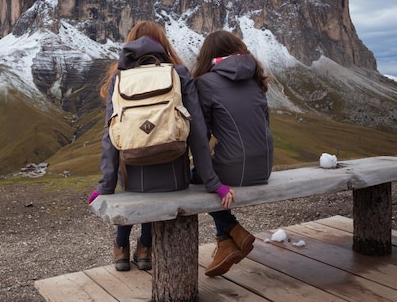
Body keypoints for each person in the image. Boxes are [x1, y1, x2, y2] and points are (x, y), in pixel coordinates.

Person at [88, 21, 234, 272]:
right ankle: (145, 246)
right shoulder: (179, 74)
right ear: (162, 44)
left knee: (134, 169)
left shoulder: (119, 79)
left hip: (132, 178)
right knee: (158, 168)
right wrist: (213, 183)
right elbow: (197, 132)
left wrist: (104, 187)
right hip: (173, 178)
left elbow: (110, 136)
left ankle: (120, 247)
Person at [192, 30, 274, 277]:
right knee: (209, 174)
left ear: (208, 55)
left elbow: (201, 138)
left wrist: (209, 175)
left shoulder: (205, 82)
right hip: (265, 168)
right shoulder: (255, 78)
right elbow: (264, 124)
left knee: (195, 178)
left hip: (234, 170)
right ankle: (224, 240)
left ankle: (231, 229)